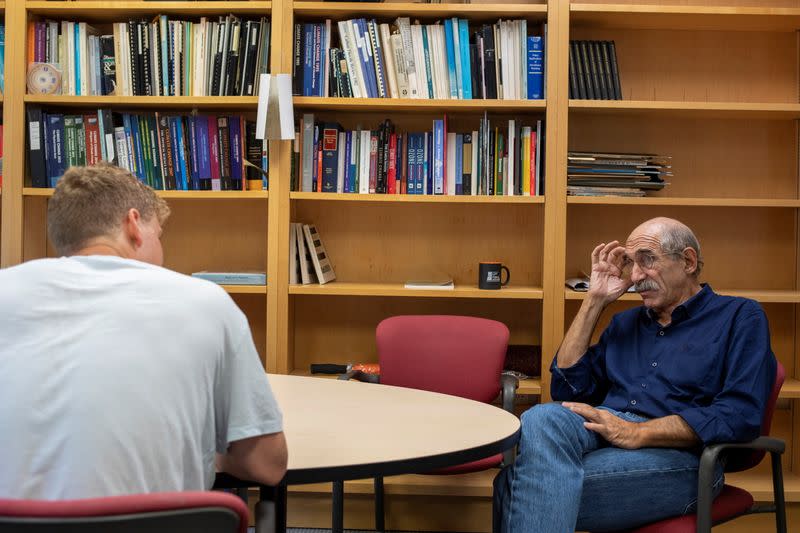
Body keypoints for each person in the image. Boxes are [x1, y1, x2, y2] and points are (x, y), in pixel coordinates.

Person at [0, 163, 287, 499]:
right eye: (159, 235)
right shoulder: (205, 303)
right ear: (133, 224)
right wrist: (204, 449)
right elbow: (268, 465)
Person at [493, 217, 777, 532]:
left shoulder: (740, 316)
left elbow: (740, 414)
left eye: (647, 260)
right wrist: (594, 300)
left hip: (684, 457)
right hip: (606, 432)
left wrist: (635, 432)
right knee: (541, 418)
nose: (637, 276)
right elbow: (568, 390)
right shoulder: (624, 323)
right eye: (632, 264)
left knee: (514, 483)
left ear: (687, 261)